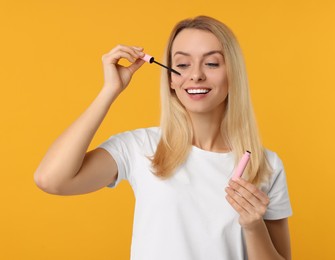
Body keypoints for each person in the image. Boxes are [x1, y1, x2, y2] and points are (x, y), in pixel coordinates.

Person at [34, 15, 292, 260]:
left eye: (212, 63)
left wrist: (253, 226)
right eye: (182, 64)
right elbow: (51, 180)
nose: (196, 75)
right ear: (169, 77)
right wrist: (110, 90)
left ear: (233, 73)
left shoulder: (265, 165)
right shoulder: (140, 147)